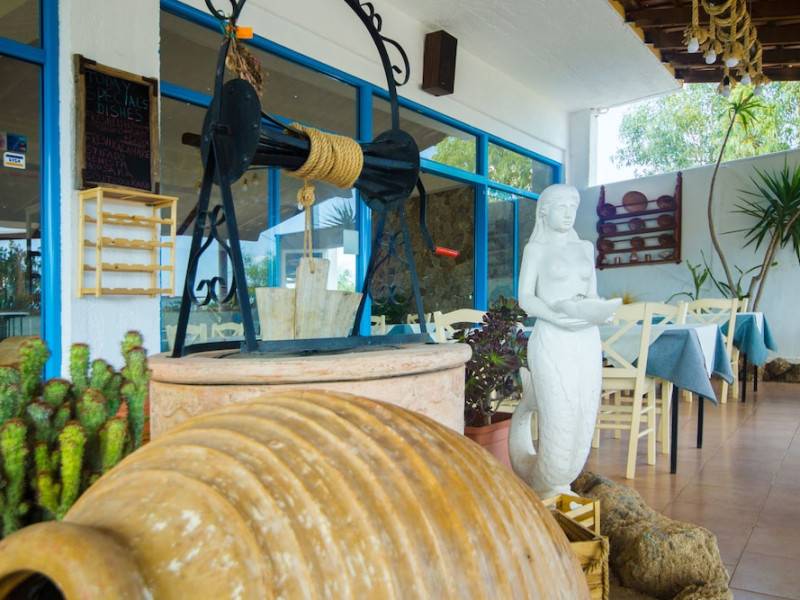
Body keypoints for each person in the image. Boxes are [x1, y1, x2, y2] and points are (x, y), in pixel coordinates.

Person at [510, 184, 619, 498]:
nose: (569, 213)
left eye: (573, 207)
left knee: (584, 411)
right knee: (560, 412)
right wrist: (556, 317)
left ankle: (561, 482)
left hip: (586, 339)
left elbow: (591, 293)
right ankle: (548, 482)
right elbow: (526, 297)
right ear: (545, 212)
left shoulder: (585, 247)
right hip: (553, 338)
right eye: (562, 207)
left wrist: (601, 310)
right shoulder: (536, 250)